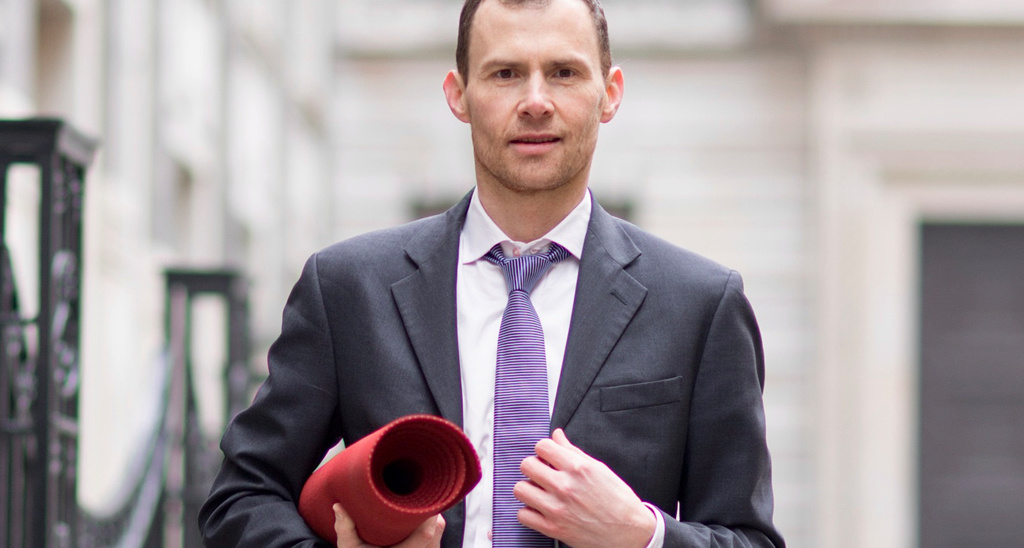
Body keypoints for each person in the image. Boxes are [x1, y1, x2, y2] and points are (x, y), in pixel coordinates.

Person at [199, 0, 785, 546]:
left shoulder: (700, 305)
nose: (535, 100)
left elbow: (750, 537)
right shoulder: (349, 289)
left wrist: (644, 533)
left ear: (610, 93)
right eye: (505, 74)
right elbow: (240, 497)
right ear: (459, 95)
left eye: (563, 72)